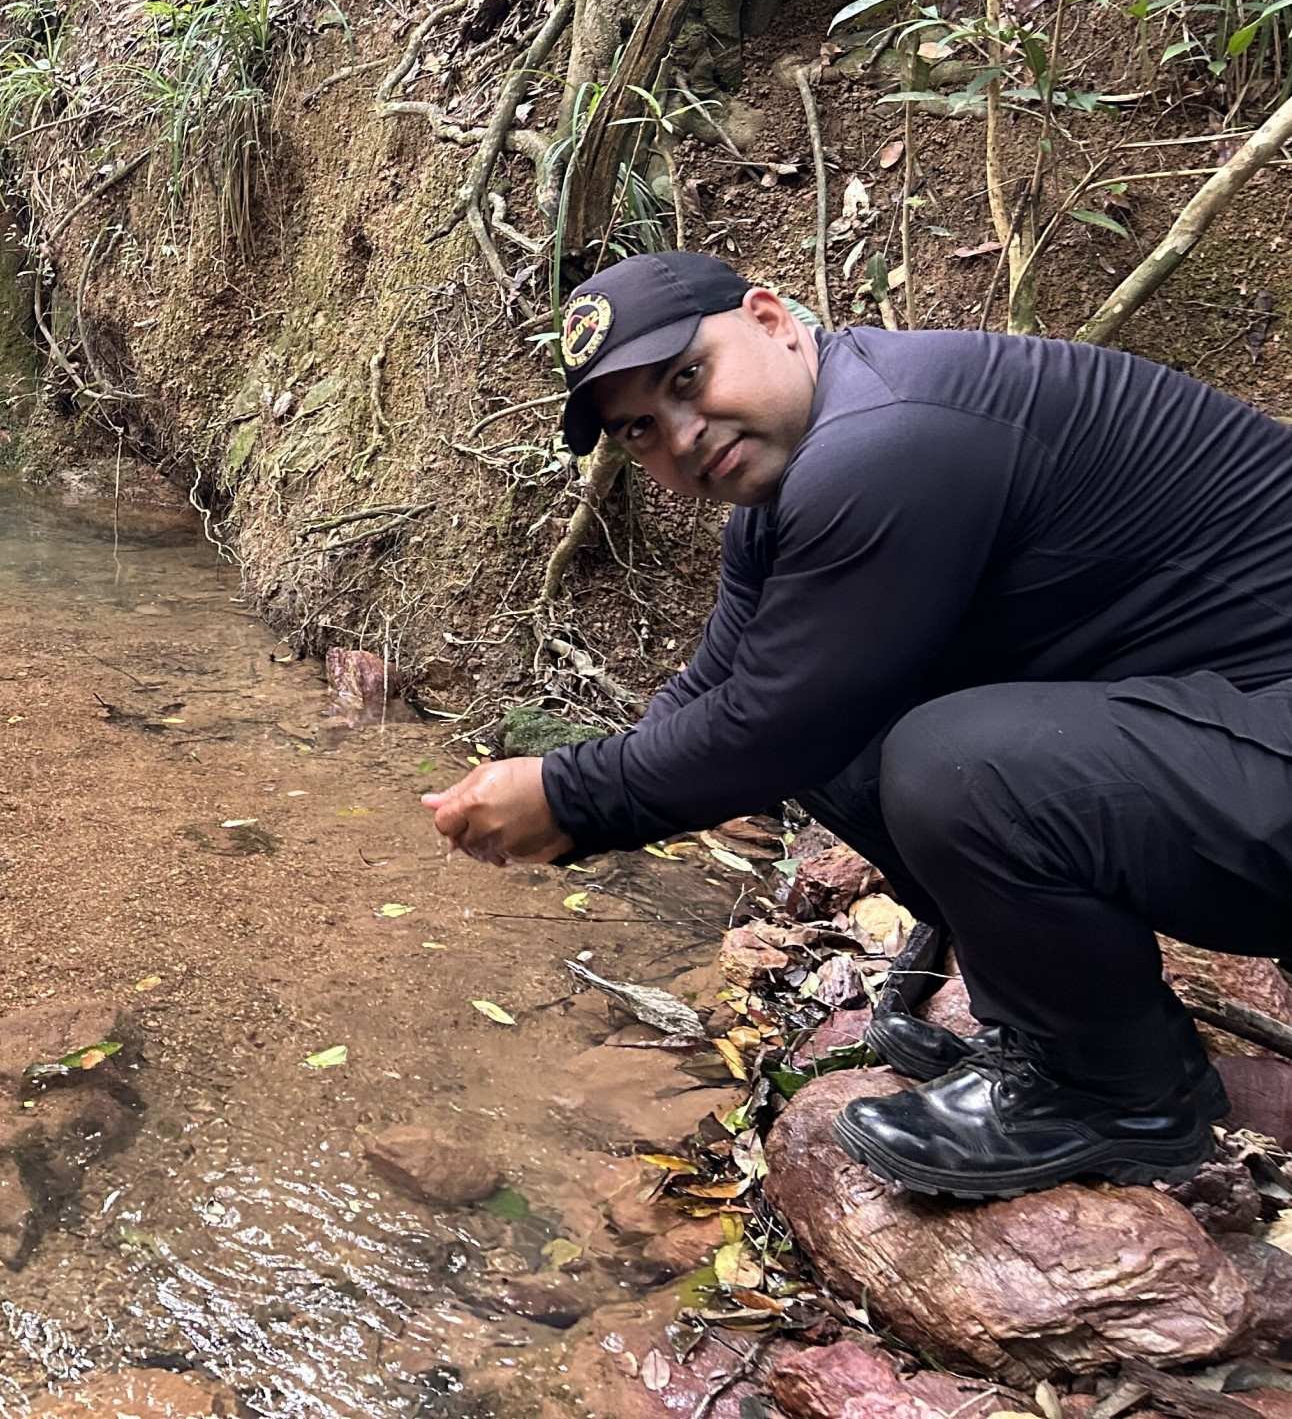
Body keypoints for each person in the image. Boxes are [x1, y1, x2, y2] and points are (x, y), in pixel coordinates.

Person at [425, 250, 1292, 1198]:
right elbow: (727, 679)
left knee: (940, 759)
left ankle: (1117, 1094)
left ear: (769, 320)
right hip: (1225, 734)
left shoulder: (885, 441)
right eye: (639, 429)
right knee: (856, 743)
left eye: (687, 379)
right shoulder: (793, 475)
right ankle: (1064, 1030)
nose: (680, 434)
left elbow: (773, 725)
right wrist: (571, 777)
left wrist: (568, 798)